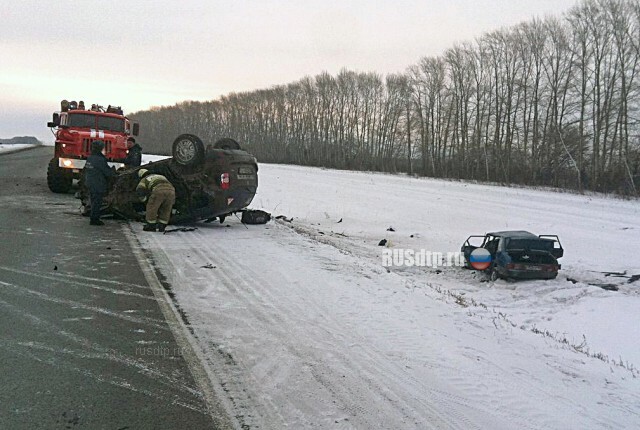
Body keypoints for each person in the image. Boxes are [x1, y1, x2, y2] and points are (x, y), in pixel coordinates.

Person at [85, 140, 116, 226]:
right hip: (98, 183)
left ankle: (93, 216)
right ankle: (94, 219)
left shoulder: (90, 158)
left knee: (93, 200)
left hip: (90, 182)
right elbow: (107, 172)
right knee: (97, 202)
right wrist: (113, 172)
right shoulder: (100, 159)